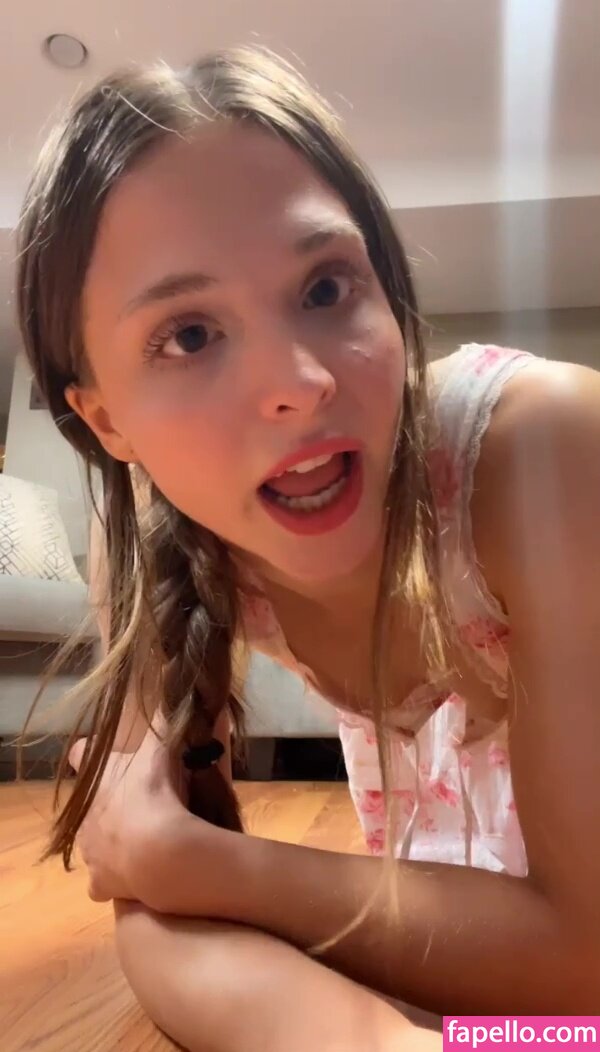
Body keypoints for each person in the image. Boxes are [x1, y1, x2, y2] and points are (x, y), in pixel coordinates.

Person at [17, 46, 600, 1048]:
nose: (298, 383)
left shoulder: (543, 451)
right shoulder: (164, 559)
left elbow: (583, 960)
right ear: (105, 419)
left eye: (325, 288)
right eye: (189, 335)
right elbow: (148, 889)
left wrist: (211, 867)